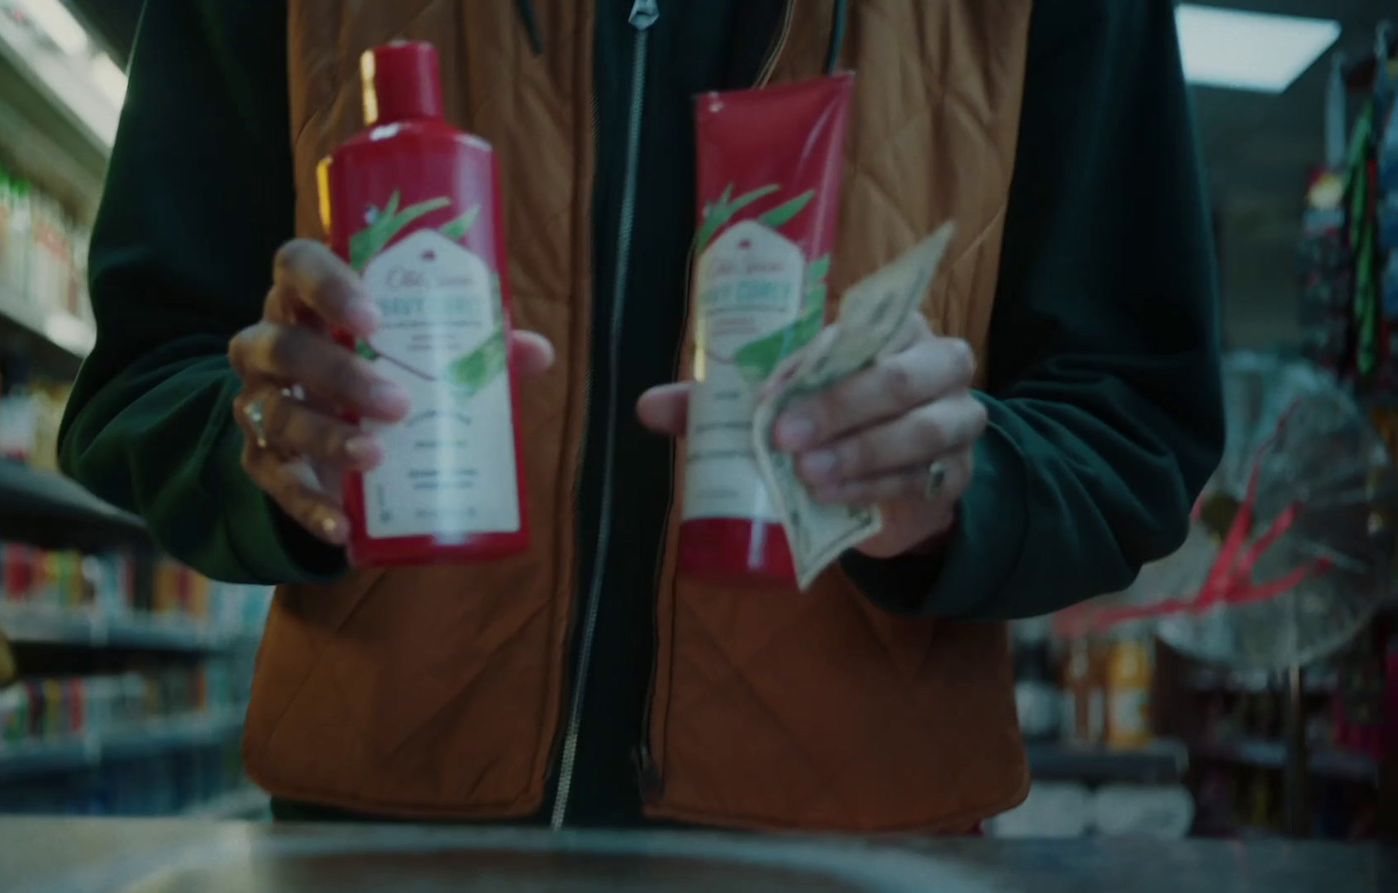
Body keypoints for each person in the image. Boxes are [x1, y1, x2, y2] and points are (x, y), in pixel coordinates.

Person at [60, 0, 1223, 831]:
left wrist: (969, 485)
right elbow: (148, 371)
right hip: (384, 844)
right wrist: (265, 447)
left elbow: (1138, 407)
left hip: (845, 850)